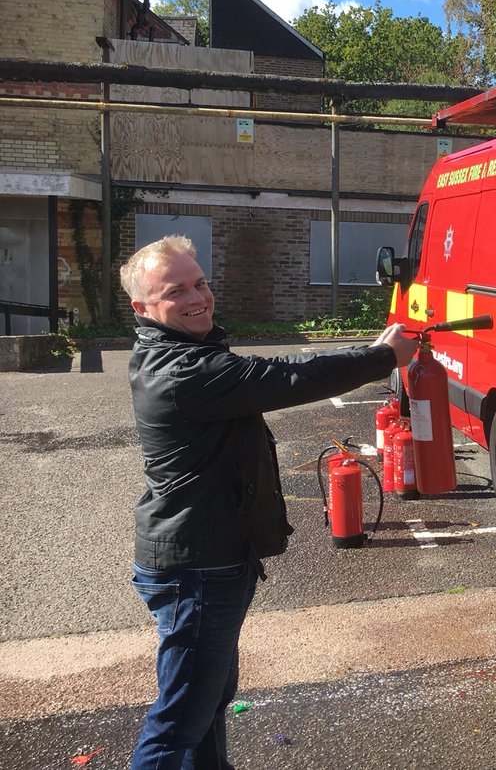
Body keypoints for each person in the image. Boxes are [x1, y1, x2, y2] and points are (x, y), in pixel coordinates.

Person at [118, 235, 415, 769]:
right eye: (176, 290)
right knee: (179, 720)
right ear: (142, 308)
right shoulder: (180, 373)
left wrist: (371, 352)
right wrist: (379, 358)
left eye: (201, 282)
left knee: (206, 700)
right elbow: (284, 377)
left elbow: (272, 375)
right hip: (198, 567)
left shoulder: (187, 353)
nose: (197, 297)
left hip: (210, 557)